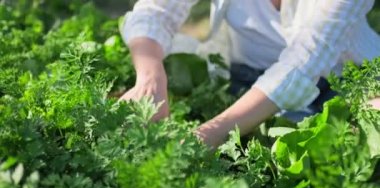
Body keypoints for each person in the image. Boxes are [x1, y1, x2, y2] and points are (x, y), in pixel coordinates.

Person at [119, 0, 380, 148]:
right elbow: (155, 11)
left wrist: (207, 135)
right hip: (244, 80)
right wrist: (151, 78)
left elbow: (305, 61)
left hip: (342, 84)